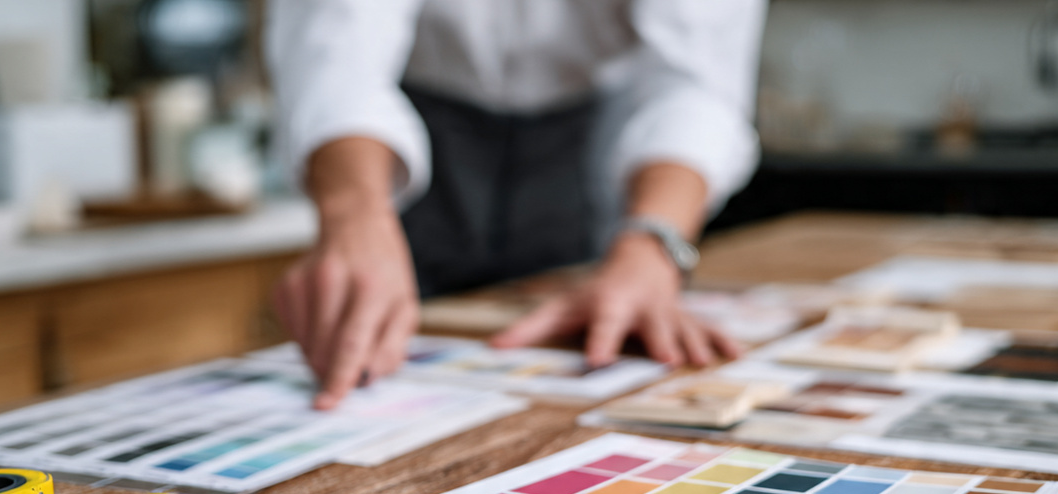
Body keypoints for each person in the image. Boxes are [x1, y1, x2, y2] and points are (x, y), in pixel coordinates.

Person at [266, 0, 767, 409]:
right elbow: (338, 53)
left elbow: (696, 86)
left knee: (576, 365)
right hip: (402, 139)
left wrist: (652, 243)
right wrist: (355, 213)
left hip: (584, 142)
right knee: (378, 357)